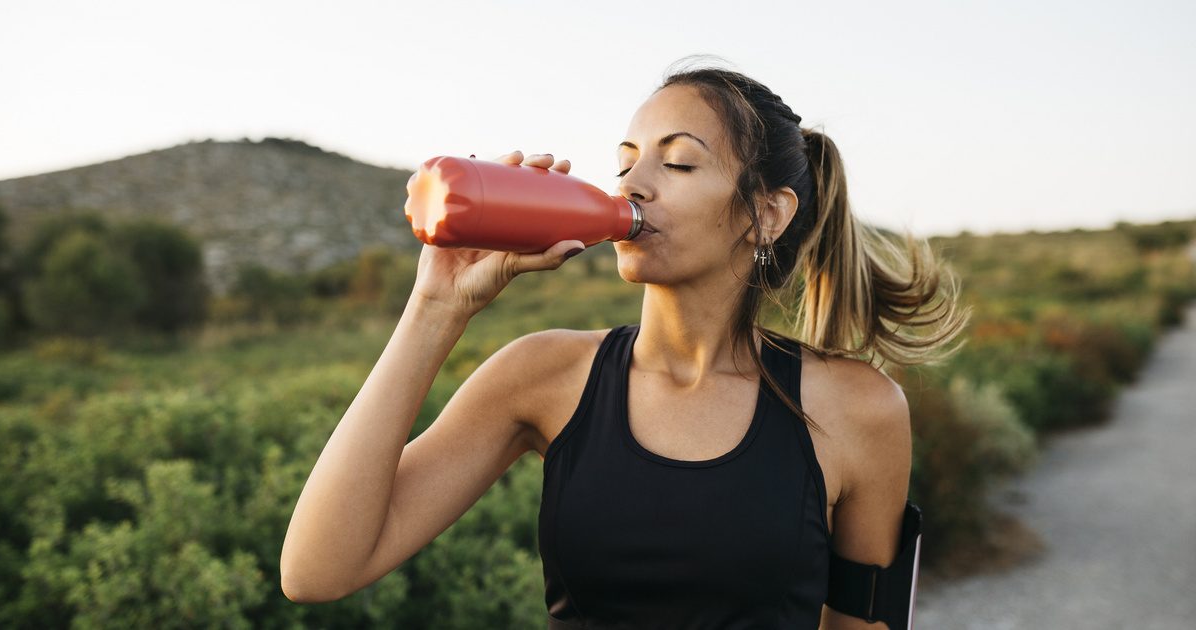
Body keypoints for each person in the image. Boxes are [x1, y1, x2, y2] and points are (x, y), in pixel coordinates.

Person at [280, 58, 969, 629]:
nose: (633, 185)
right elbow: (317, 570)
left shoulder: (858, 409)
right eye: (626, 162)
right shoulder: (543, 375)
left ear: (766, 213)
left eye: (678, 165)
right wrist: (436, 305)